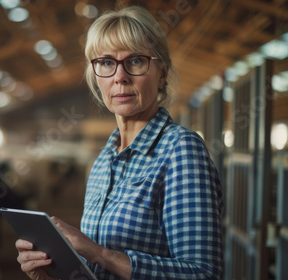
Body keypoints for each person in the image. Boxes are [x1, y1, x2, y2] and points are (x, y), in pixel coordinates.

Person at [15, 5, 223, 280]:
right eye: (106, 62)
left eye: (136, 61)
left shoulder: (180, 150)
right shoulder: (103, 160)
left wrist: (100, 254)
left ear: (162, 73)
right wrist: (54, 271)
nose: (119, 76)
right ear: (96, 75)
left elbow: (204, 274)